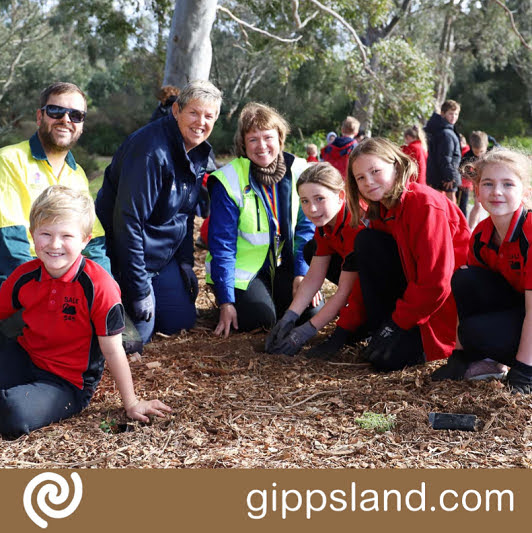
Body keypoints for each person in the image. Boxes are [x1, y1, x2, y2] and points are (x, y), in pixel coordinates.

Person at [0, 185, 171, 437]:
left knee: (13, 413)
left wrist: (131, 402)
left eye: (67, 236)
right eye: (45, 233)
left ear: (85, 240)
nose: (54, 244)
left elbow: (113, 350)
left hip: (66, 382)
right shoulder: (24, 276)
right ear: (32, 234)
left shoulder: (99, 286)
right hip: (26, 357)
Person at [95, 80, 222, 345]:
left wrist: (186, 262)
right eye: (194, 113)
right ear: (176, 110)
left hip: (162, 258)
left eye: (209, 116)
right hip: (125, 256)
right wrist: (140, 288)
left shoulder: (198, 152)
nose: (201, 122)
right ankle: (116, 299)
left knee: (181, 322)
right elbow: (127, 222)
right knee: (135, 340)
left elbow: (185, 215)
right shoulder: (151, 151)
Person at [344, 138, 470, 371]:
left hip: (443, 308)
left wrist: (396, 324)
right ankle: (379, 330)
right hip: (415, 298)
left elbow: (437, 283)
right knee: (367, 242)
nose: (368, 181)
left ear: (397, 166)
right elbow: (370, 275)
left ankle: (405, 338)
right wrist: (346, 327)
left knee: (386, 362)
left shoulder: (423, 203)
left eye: (375, 171)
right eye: (360, 178)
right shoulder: (382, 210)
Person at [206, 102, 318, 338]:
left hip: (283, 265)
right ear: (243, 145)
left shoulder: (299, 170)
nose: (262, 146)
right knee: (261, 319)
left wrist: (302, 273)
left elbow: (305, 230)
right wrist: (226, 301)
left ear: (280, 138)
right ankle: (240, 301)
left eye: (268, 137)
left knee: (310, 311)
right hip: (243, 272)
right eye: (253, 139)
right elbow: (222, 245)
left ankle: (275, 298)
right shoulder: (228, 179)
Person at [431, 149, 532, 392]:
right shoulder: (481, 233)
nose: (496, 192)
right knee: (465, 278)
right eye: (488, 184)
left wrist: (525, 371)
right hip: (519, 309)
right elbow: (470, 294)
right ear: (477, 190)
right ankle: (487, 363)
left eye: (508, 184)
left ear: (525, 193)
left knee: (477, 332)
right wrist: (459, 353)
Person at [0, 81, 110, 285]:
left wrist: (105, 286)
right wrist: (42, 291)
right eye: (56, 111)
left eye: (76, 115)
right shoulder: (9, 160)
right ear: (40, 116)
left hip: (65, 280)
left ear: (82, 125)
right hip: (21, 282)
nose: (66, 120)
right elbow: (9, 241)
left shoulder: (78, 175)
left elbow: (93, 240)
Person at [264, 162, 364, 356]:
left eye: (320, 198)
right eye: (305, 201)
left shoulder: (356, 222)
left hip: (388, 286)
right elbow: (314, 276)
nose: (312, 209)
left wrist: (306, 331)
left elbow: (345, 291)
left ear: (340, 196)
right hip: (356, 272)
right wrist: (289, 318)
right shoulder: (325, 224)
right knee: (311, 250)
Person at [425, 100, 462, 203]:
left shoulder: (444, 130)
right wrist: (449, 177)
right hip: (445, 175)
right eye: (450, 113)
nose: (453, 117)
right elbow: (445, 157)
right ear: (443, 113)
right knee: (449, 203)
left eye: (456, 114)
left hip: (439, 173)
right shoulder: (446, 133)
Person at [459, 130, 489, 224]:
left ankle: (480, 225)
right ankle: (470, 228)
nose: (479, 154)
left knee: (483, 206)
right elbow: (463, 170)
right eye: (476, 152)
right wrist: (474, 178)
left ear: (486, 147)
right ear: (471, 147)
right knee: (477, 205)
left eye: (481, 151)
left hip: (488, 182)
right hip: (475, 181)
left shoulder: (490, 153)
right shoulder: (468, 156)